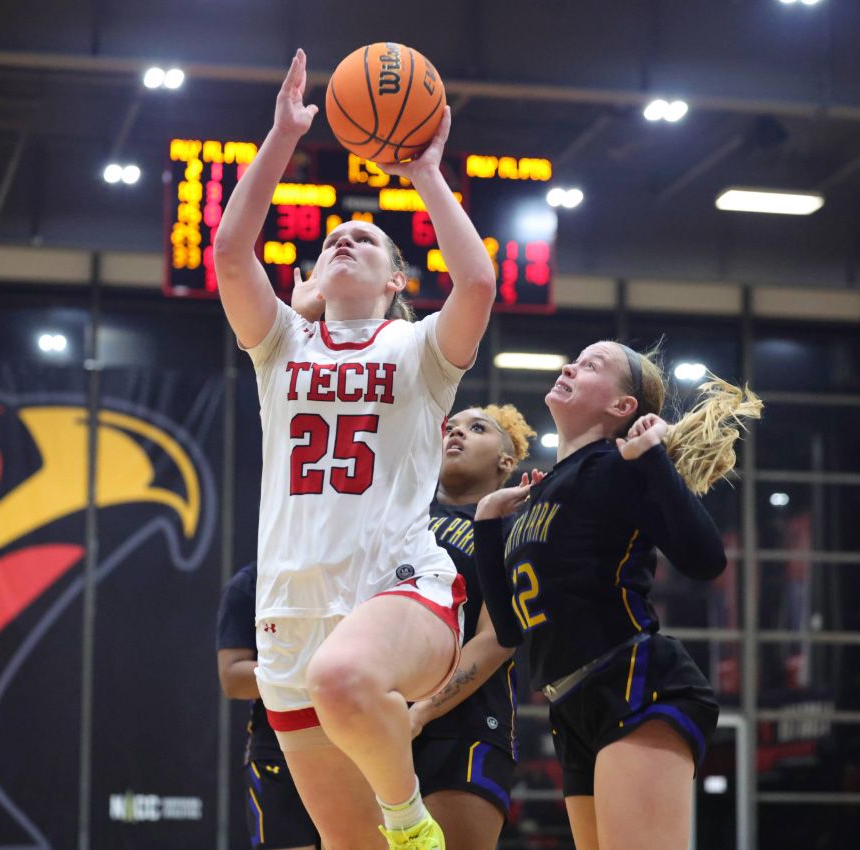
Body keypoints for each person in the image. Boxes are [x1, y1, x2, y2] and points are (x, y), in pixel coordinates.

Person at [213, 49, 496, 850]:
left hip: (398, 582)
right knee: (346, 844)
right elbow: (232, 254)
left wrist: (428, 175)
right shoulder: (281, 347)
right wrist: (280, 138)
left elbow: (475, 285)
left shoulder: (417, 350)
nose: (345, 240)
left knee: (344, 677)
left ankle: (410, 819)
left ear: (397, 279)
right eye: (335, 236)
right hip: (287, 610)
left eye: (366, 239)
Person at [473, 342, 761, 850]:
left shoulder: (618, 464)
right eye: (575, 360)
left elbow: (706, 560)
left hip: (635, 682)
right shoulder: (542, 491)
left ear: (623, 407)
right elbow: (511, 630)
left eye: (591, 366)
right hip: (570, 704)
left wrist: (652, 459)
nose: (569, 367)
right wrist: (489, 526)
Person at [409, 404, 536, 850]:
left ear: (506, 461)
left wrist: (424, 709)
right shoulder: (398, 518)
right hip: (383, 717)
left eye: (476, 428)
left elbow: (499, 638)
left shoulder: (511, 533)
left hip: (464, 723)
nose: (456, 434)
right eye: (451, 427)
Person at [217, 563, 319, 850]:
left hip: (348, 746)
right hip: (278, 753)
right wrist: (312, 674)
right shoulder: (249, 584)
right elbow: (232, 678)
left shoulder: (347, 574)